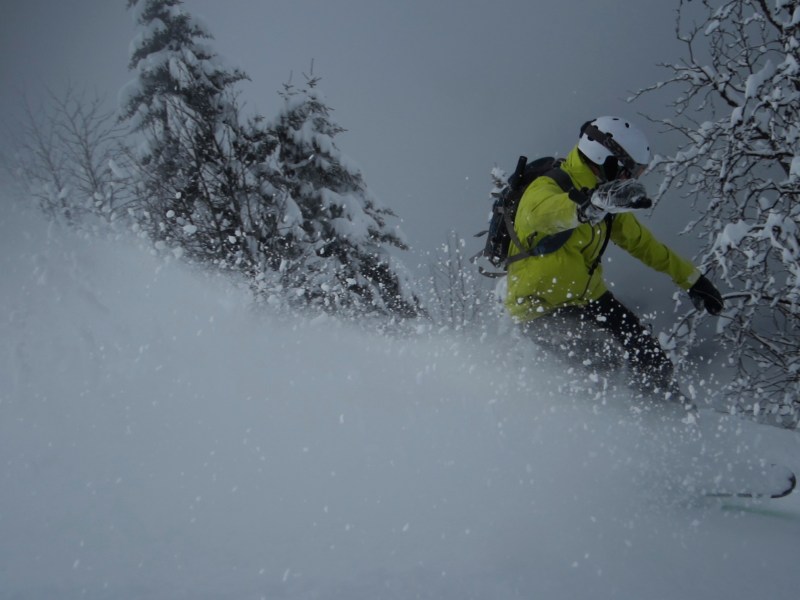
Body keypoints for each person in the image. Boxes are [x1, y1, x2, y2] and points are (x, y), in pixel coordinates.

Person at [505, 116, 724, 409]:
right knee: (601, 363)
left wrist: (693, 280)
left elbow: (642, 244)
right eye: (629, 171)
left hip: (588, 296)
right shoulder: (547, 188)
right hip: (540, 306)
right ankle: (593, 421)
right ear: (606, 159)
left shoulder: (604, 197)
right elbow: (544, 213)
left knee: (650, 356)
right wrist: (587, 207)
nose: (630, 179)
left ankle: (666, 413)